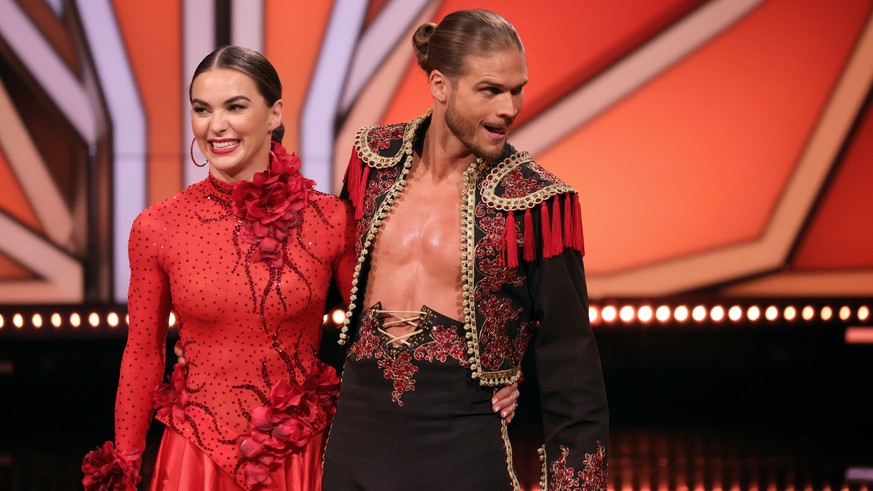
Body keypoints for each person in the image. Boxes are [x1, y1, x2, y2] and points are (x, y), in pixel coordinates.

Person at [81, 45, 519, 491]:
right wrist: (126, 462)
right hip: (195, 459)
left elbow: (379, 334)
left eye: (236, 106)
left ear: (274, 114)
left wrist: (487, 377)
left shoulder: (330, 220)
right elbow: (142, 354)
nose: (216, 125)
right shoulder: (157, 226)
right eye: (202, 109)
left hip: (299, 455)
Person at [322, 9, 609, 491]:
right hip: (356, 443)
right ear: (440, 85)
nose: (509, 108)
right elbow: (321, 278)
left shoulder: (536, 203)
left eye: (517, 89)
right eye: (491, 90)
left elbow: (573, 375)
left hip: (461, 449)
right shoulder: (373, 159)